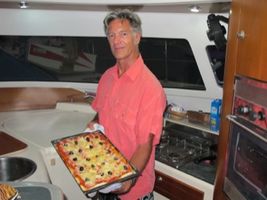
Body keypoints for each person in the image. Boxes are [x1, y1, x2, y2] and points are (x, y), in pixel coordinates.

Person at [88, 9, 166, 200]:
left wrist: (127, 181)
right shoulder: (106, 77)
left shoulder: (151, 88)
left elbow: (144, 144)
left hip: (133, 191)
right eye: (111, 35)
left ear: (137, 37)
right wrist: (91, 126)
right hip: (104, 178)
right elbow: (100, 114)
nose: (116, 41)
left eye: (123, 34)